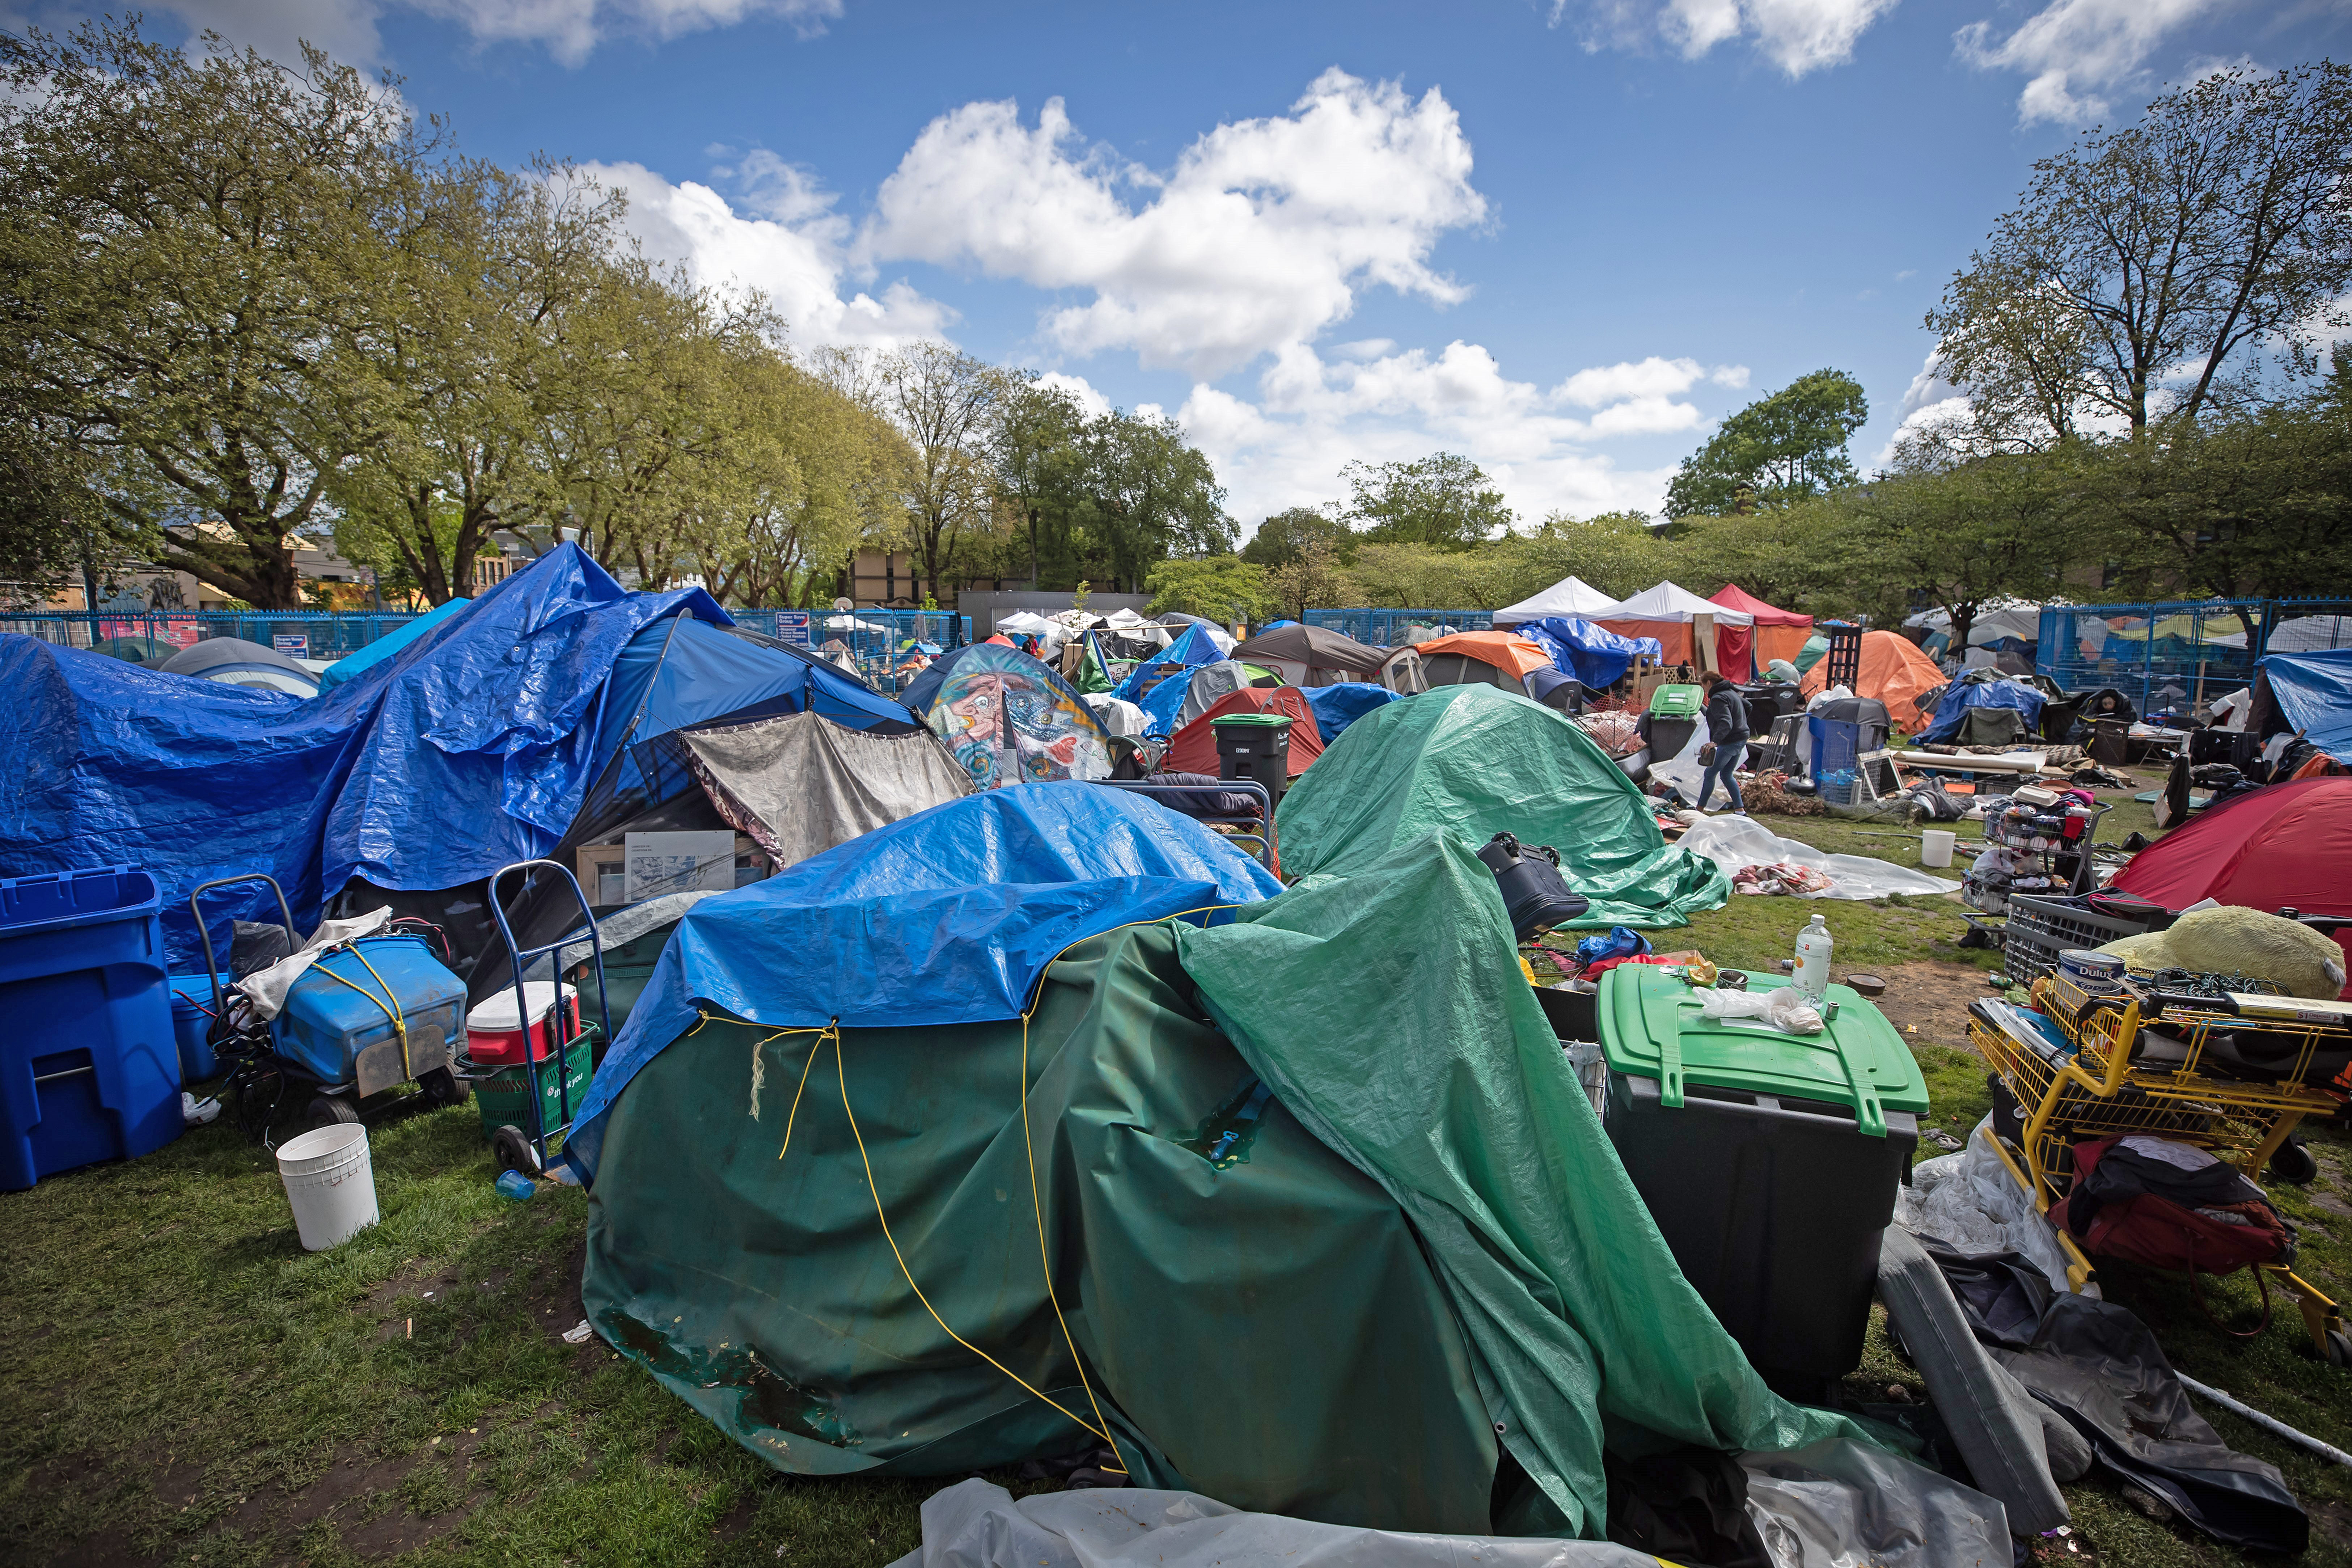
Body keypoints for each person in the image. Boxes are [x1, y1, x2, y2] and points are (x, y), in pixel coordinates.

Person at [1695, 670, 1750, 813]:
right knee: (1726, 774)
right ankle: (1740, 810)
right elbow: (1748, 706)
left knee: (1710, 773)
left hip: (1730, 741)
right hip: (1741, 737)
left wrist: (1715, 742)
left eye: (1703, 684)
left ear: (1709, 683)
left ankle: (1699, 809)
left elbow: (1726, 722)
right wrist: (1741, 723)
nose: (1703, 688)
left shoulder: (1718, 698)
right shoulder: (1731, 692)